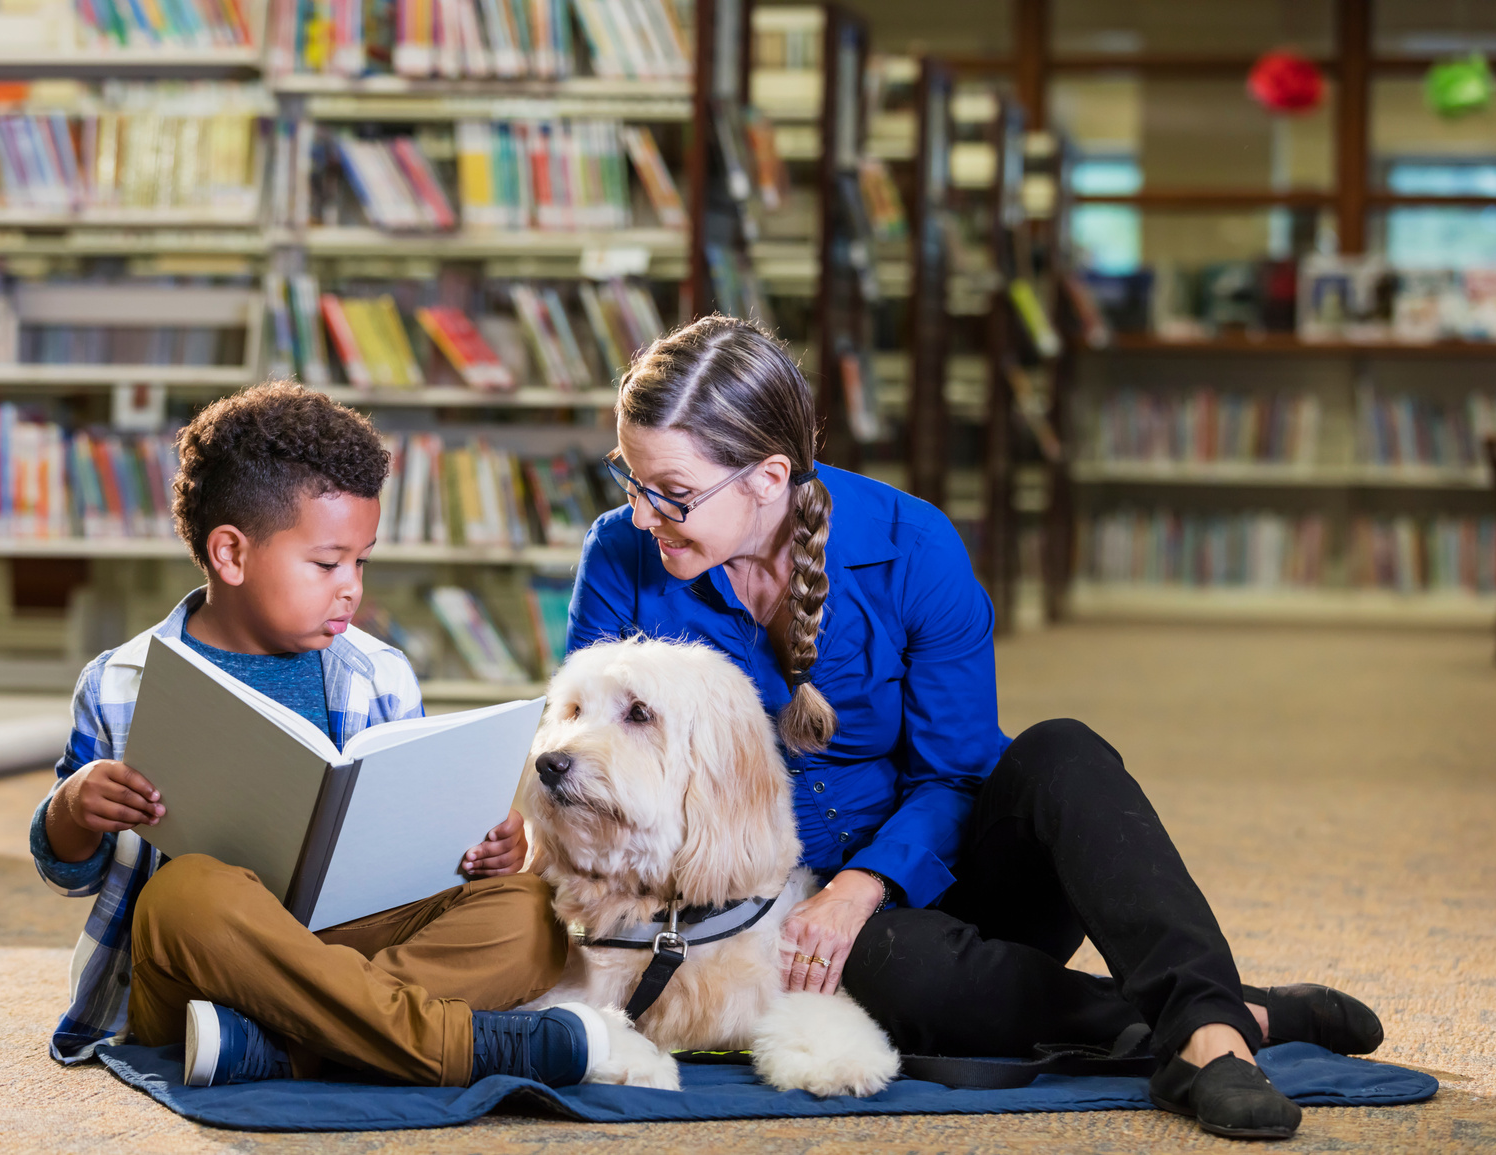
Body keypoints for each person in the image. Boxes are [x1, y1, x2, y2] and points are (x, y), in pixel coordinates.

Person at [566, 317, 1384, 1141]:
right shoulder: (617, 558)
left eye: (669, 491)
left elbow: (956, 774)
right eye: (629, 481)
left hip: (941, 875)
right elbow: (582, 740)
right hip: (772, 920)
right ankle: (1233, 1015)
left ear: (768, 477)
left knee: (1062, 750)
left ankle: (1209, 1045)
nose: (641, 514)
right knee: (895, 971)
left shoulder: (914, 545)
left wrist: (864, 883)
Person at [30, 383, 608, 1091]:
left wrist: (489, 848)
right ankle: (452, 1044)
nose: (351, 588)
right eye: (328, 563)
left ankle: (275, 1046)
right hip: (201, 964)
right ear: (231, 555)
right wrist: (72, 810)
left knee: (530, 914)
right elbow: (69, 870)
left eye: (361, 561)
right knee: (186, 893)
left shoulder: (381, 674)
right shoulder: (121, 681)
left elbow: (415, 851)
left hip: (342, 945)